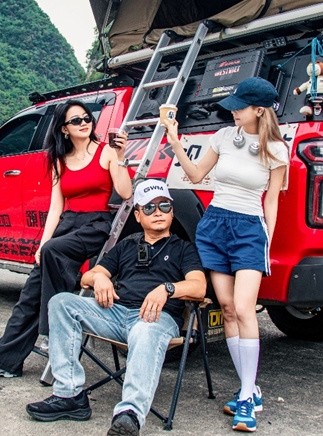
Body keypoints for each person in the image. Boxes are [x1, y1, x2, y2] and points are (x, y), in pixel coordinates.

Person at [25, 180, 206, 436]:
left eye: (164, 206)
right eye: (149, 207)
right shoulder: (126, 246)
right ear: (138, 215)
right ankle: (69, 396)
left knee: (145, 330)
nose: (158, 212)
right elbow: (89, 276)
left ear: (172, 212)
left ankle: (129, 414)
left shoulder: (184, 249)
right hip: (116, 313)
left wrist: (167, 288)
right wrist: (99, 278)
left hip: (155, 319)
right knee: (61, 303)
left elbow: (199, 286)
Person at [0, 99, 132, 380]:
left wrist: (120, 156)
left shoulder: (105, 152)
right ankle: (4, 362)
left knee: (53, 252)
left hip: (95, 225)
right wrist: (42, 243)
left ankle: (49, 332)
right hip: (66, 227)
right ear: (63, 129)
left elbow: (126, 192)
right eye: (76, 120)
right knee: (29, 295)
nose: (84, 123)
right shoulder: (59, 161)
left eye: (86, 118)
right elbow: (56, 207)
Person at [165, 77, 288, 432]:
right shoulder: (222, 137)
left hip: (250, 229)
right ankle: (249, 390)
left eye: (240, 107)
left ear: (259, 110)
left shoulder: (277, 149)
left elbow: (272, 200)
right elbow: (196, 175)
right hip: (216, 224)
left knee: (246, 309)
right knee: (229, 309)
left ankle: (247, 397)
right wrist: (175, 141)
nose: (233, 111)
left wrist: (267, 240)